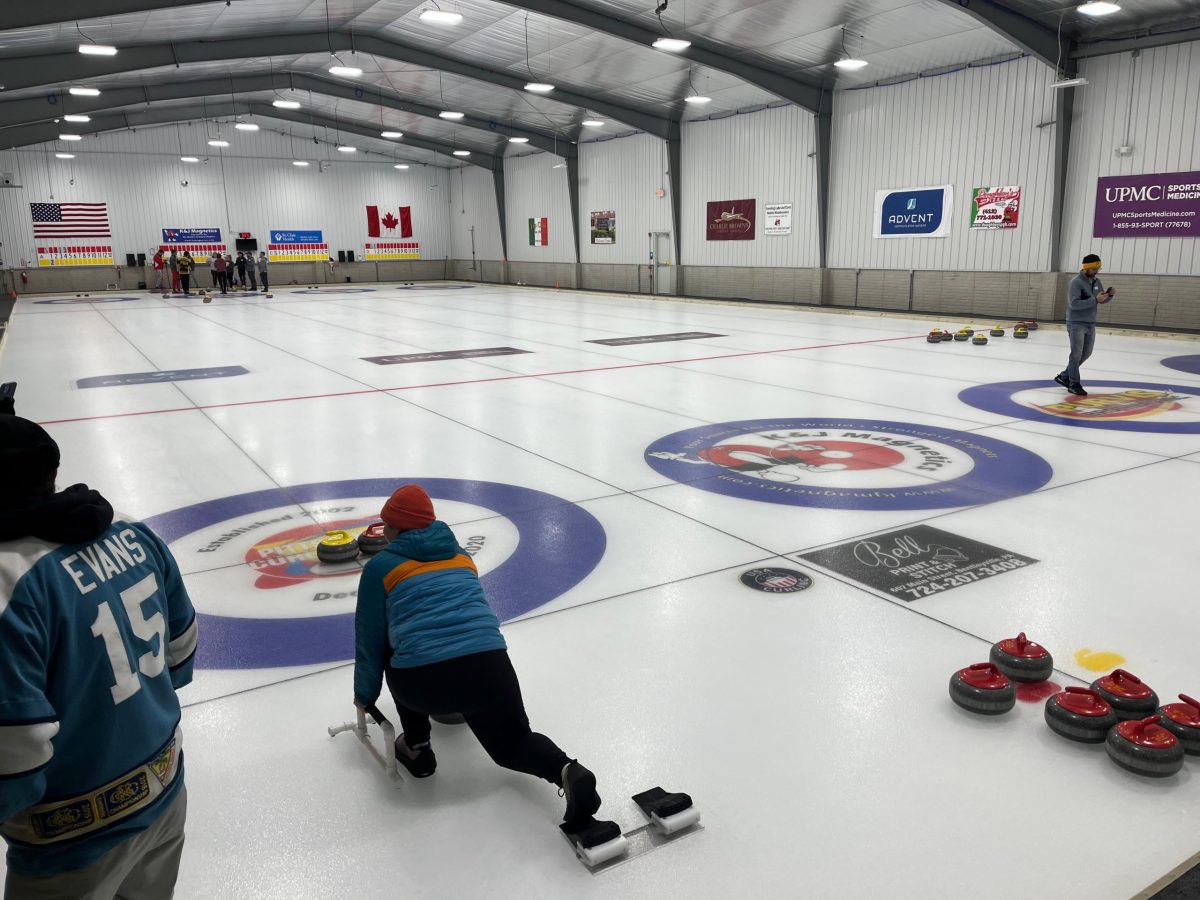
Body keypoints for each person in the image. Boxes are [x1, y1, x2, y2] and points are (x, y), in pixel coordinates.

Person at [0, 414, 197, 900]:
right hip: (164, 787)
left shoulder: (7, 582)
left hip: (70, 843)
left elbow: (15, 747)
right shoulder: (131, 528)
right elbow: (182, 646)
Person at [353, 485, 602, 830]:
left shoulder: (380, 567)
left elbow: (370, 642)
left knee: (401, 647)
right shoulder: (462, 558)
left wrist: (364, 696)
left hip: (423, 686)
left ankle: (417, 746)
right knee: (513, 743)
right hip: (490, 670)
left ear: (394, 529)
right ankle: (567, 770)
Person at [1054, 253, 1114, 397]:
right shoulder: (1076, 282)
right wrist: (1095, 299)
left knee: (1086, 353)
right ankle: (1074, 384)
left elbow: (1100, 300)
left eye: (1098, 269)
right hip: (1076, 323)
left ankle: (1064, 376)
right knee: (1076, 354)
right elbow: (1073, 304)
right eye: (1094, 269)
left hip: (1090, 323)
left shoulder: (1096, 282)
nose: (1096, 272)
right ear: (1086, 268)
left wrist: (1109, 296)